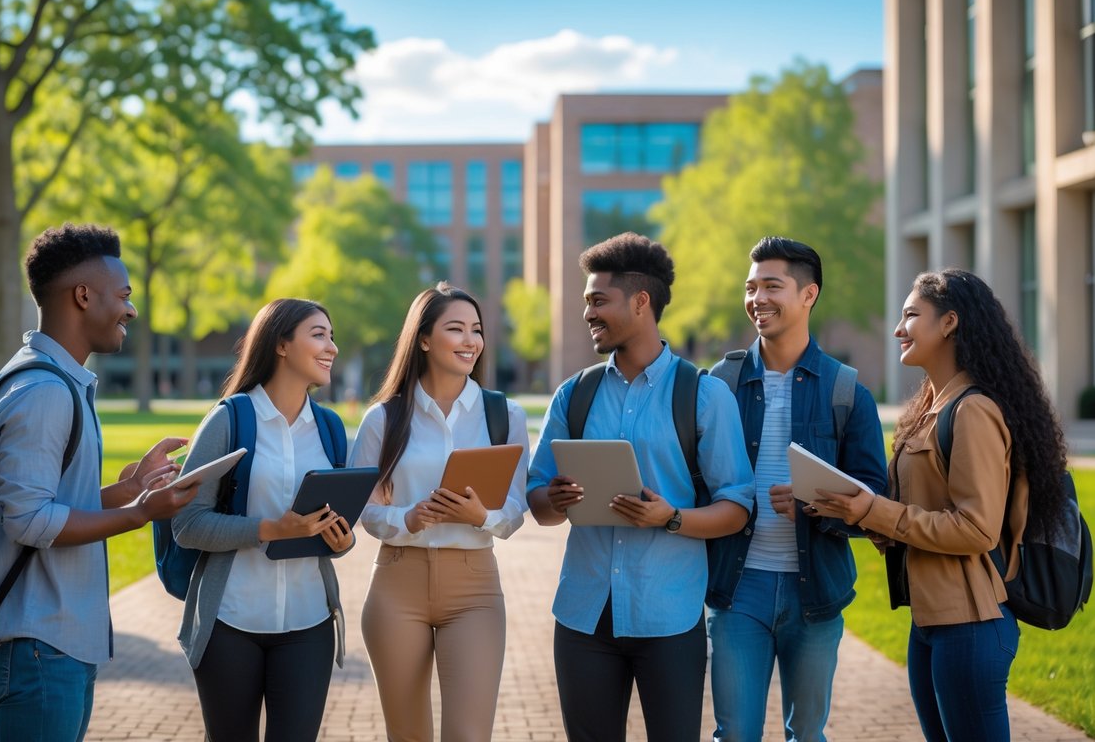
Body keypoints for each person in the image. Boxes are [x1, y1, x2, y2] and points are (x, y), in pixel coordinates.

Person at [811, 268, 1071, 742]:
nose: (897, 329)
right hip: (929, 624)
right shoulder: (930, 407)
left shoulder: (972, 410)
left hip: (970, 627)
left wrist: (876, 511)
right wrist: (864, 517)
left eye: (911, 315)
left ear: (949, 322)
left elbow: (976, 529)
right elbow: (921, 511)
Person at [527, 232, 755, 742]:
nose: (588, 313)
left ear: (641, 302)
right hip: (584, 618)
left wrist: (670, 518)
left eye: (597, 301)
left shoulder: (704, 395)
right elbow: (538, 502)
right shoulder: (575, 395)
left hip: (669, 618)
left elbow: (737, 506)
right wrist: (556, 499)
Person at [0, 223, 198, 742]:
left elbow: (48, 504)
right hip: (38, 644)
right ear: (82, 296)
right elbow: (29, 520)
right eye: (123, 296)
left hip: (57, 642)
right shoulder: (43, 391)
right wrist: (140, 513)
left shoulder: (57, 382)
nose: (130, 310)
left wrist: (130, 490)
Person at [704, 237, 888, 742]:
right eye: (750, 287)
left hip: (817, 592)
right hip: (737, 589)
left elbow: (874, 498)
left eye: (771, 286)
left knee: (807, 735)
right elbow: (696, 480)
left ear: (809, 295)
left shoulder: (847, 391)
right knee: (734, 734)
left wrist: (816, 508)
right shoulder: (719, 384)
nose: (757, 298)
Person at [349, 282, 530, 742]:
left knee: (468, 736)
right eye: (456, 328)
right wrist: (407, 519)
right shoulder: (384, 418)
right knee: (407, 735)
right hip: (396, 584)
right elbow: (364, 509)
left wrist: (480, 517)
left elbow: (514, 508)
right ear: (424, 339)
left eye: (477, 329)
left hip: (474, 589)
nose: (470, 340)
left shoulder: (504, 415)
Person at [172, 298, 355, 741]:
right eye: (318, 335)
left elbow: (343, 537)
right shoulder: (229, 420)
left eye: (332, 337)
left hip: (309, 623)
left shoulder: (330, 429)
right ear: (281, 345)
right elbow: (186, 524)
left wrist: (339, 538)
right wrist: (269, 530)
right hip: (231, 623)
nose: (331, 347)